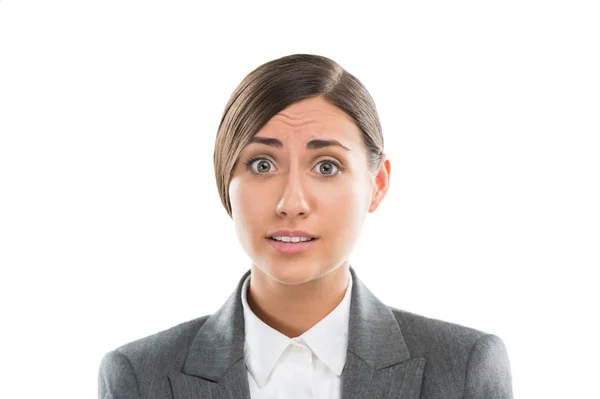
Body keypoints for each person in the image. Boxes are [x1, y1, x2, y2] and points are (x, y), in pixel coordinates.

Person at [98, 53, 513, 399]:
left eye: (327, 166)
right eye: (262, 164)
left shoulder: (462, 370)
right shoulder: (139, 378)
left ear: (377, 184)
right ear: (226, 181)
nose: (291, 203)